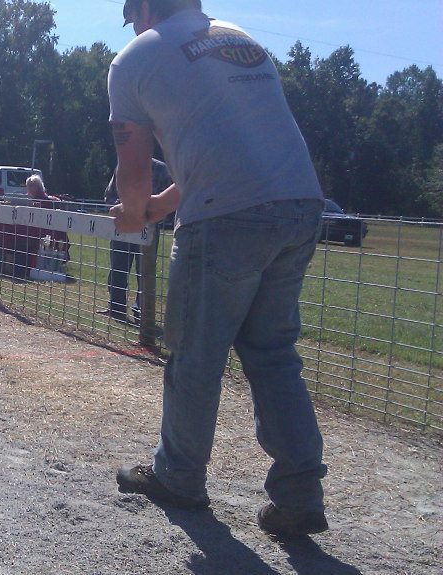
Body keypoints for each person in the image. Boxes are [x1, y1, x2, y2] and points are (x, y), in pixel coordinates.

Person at [108, 0, 328, 539]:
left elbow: (131, 174)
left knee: (195, 356)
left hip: (224, 221)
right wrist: (164, 203)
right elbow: (238, 147)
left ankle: (178, 476)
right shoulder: (241, 38)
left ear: (146, 8)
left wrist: (135, 213)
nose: (134, 25)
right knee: (273, 355)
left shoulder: (133, 59)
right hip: (300, 205)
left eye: (132, 14)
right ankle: (299, 496)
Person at [101, 159, 171, 323]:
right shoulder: (123, 165)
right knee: (118, 267)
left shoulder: (161, 169)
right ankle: (116, 307)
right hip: (123, 226)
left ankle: (141, 311)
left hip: (148, 227)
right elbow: (109, 194)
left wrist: (148, 209)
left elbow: (168, 200)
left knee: (144, 271)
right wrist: (117, 204)